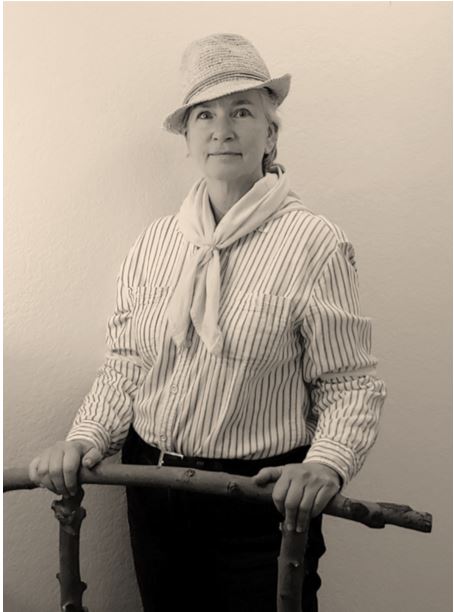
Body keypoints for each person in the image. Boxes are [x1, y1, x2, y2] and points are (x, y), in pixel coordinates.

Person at [29, 33, 387, 611]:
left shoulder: (315, 243)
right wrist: (84, 439)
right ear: (188, 138)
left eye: (242, 111)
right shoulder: (154, 243)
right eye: (206, 114)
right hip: (153, 489)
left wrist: (326, 464)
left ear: (270, 135)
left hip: (261, 502)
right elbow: (127, 367)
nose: (223, 128)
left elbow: (348, 382)